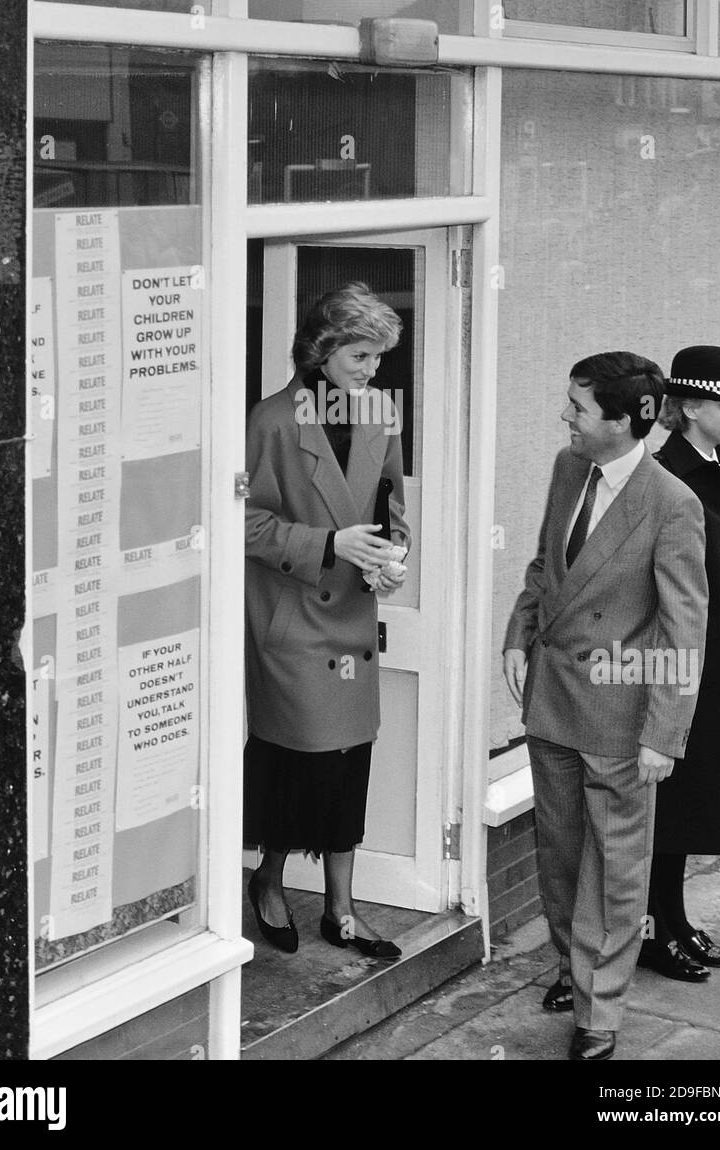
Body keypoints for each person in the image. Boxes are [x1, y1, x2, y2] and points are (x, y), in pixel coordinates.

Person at [503, 351, 708, 1061]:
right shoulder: (568, 469)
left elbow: (685, 626)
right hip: (552, 700)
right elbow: (543, 565)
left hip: (620, 716)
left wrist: (663, 734)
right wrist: (519, 632)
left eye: (578, 408)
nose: (565, 416)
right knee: (559, 855)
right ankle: (571, 963)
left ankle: (599, 1014)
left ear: (623, 423)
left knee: (616, 868)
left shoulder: (671, 504)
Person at [244, 282, 410, 960]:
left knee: (349, 765)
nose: (372, 371)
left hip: (352, 619)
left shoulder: (380, 417)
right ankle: (270, 881)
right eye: (360, 355)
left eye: (377, 358)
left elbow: (391, 508)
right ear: (322, 349)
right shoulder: (273, 421)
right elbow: (245, 522)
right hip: (293, 625)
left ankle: (342, 909)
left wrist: (391, 559)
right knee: (297, 761)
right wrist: (325, 546)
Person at [639, 346, 720, 981]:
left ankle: (677, 920)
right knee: (675, 805)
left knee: (696, 802)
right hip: (688, 668)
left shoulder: (716, 465)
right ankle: (653, 930)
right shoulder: (669, 477)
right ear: (688, 407)